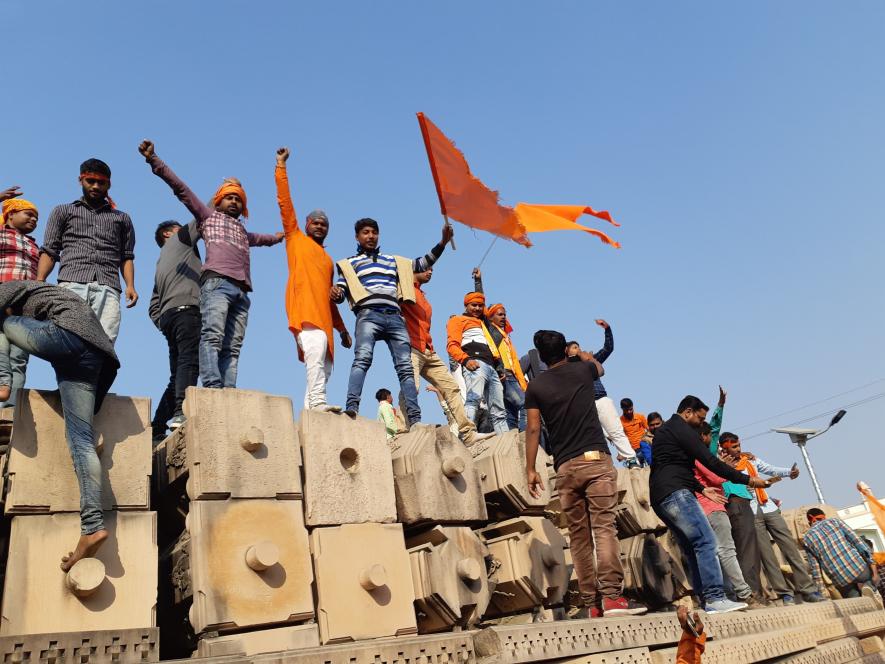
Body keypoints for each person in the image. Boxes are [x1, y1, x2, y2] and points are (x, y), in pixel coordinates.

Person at [138, 140, 283, 388]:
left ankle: (228, 389)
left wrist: (279, 238)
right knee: (213, 336)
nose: (234, 202)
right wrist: (155, 160)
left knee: (233, 345)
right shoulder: (208, 217)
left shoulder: (242, 231)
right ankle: (213, 385)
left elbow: (260, 239)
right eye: (228, 197)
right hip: (217, 284)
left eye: (238, 198)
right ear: (217, 201)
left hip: (242, 290)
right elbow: (181, 189)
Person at [525, 329, 647, 617]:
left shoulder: (536, 386)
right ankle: (612, 598)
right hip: (595, 460)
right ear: (565, 349)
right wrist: (578, 354)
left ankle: (591, 604)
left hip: (565, 468)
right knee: (604, 527)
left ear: (541, 356)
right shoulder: (582, 370)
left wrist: (530, 469)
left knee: (579, 536)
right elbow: (599, 365)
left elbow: (532, 428)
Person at [0, 281, 119, 572]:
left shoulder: (15, 287)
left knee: (1, 323)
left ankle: (3, 381)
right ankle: (92, 526)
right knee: (80, 440)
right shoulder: (56, 297)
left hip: (66, 336)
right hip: (94, 357)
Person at [649, 395, 771, 613]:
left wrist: (700, 488)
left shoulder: (665, 432)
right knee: (706, 542)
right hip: (677, 494)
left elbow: (672, 466)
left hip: (661, 496)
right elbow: (711, 462)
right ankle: (715, 597)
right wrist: (748, 479)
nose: (700, 425)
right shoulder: (682, 428)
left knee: (692, 547)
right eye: (699, 418)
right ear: (687, 412)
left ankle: (705, 600)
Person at [332, 218, 453, 423]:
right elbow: (342, 291)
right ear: (357, 237)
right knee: (362, 359)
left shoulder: (393, 261)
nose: (370, 236)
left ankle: (414, 418)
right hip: (368, 314)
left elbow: (422, 263)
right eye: (365, 232)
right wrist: (336, 294)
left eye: (374, 232)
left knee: (405, 367)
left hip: (394, 316)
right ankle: (352, 407)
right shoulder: (350, 263)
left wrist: (442, 242)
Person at [274, 147, 351, 411]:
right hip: (305, 314)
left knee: (325, 367)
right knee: (315, 356)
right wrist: (281, 166)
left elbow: (330, 299)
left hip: (325, 320)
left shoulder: (328, 261)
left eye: (324, 224)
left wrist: (341, 330)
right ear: (306, 225)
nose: (319, 226)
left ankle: (311, 414)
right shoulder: (295, 240)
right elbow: (285, 203)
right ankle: (318, 404)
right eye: (315, 222)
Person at [38, 158, 137, 344]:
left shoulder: (122, 219)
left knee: (104, 343)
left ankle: (96, 374)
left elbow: (126, 256)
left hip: (108, 285)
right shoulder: (63, 211)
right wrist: (40, 282)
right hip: (71, 282)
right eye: (91, 181)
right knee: (69, 339)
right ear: (80, 180)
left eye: (101, 182)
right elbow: (50, 250)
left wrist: (130, 285)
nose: (96, 186)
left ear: (109, 184)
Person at [399, 267, 492, 445]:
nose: (430, 272)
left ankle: (468, 432)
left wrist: (478, 283)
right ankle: (403, 429)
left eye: (433, 269)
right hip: (411, 347)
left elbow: (482, 308)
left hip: (428, 349)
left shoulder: (423, 296)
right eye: (426, 268)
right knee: (411, 387)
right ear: (414, 270)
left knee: (451, 387)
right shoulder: (405, 290)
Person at [693, 387, 763, 609]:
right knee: (733, 550)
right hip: (719, 504)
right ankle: (746, 594)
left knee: (722, 550)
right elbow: (715, 475)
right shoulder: (703, 453)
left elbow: (713, 426)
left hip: (712, 505)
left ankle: (731, 594)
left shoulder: (694, 452)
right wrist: (728, 470)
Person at [732, 445, 826, 604]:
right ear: (724, 449)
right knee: (768, 557)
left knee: (790, 548)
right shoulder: (723, 466)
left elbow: (769, 469)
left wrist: (789, 472)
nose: (737, 449)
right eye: (733, 447)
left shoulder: (748, 459)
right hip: (751, 511)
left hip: (768, 506)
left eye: (738, 445)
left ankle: (808, 590)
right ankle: (785, 593)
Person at [148, 219, 201, 439]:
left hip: (171, 316)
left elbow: (153, 304)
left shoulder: (162, 263)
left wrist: (162, 322)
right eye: (180, 229)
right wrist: (226, 190)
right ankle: (180, 412)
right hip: (187, 310)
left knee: (177, 372)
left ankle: (157, 426)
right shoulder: (180, 242)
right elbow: (203, 215)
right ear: (169, 235)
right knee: (189, 363)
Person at [565, 324, 637, 465]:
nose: (578, 349)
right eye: (574, 347)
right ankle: (600, 464)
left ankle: (631, 459)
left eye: (578, 347)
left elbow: (608, 349)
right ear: (566, 352)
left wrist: (607, 330)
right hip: (584, 405)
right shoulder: (566, 367)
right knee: (594, 436)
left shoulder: (590, 360)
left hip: (600, 399)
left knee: (615, 431)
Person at [446, 290, 508, 435]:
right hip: (475, 364)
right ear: (466, 305)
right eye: (474, 305)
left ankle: (505, 442)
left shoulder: (484, 324)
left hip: (491, 367)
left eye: (480, 306)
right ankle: (468, 438)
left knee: (499, 409)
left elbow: (493, 347)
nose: (477, 309)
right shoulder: (457, 320)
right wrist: (466, 360)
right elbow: (452, 345)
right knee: (473, 401)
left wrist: (499, 368)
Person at [471, 268, 526, 431]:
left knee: (510, 414)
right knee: (526, 404)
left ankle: (514, 444)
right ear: (490, 317)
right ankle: (526, 440)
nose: (504, 317)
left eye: (505, 314)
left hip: (511, 376)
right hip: (503, 376)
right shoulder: (490, 330)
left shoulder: (505, 335)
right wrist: (478, 282)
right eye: (500, 314)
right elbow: (480, 303)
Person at [0, 187, 41, 407]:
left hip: (24, 307)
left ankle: (10, 410)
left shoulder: (34, 244)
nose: (33, 219)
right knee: (1, 350)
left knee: (19, 358)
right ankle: (4, 386)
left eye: (36, 217)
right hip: (1, 297)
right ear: (11, 214)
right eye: (29, 214)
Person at [717, 432, 766, 602]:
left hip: (737, 504)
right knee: (747, 551)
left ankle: (750, 592)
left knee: (744, 550)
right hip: (736, 503)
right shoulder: (720, 462)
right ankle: (752, 594)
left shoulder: (738, 460)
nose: (739, 450)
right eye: (735, 447)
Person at [804, 508, 880, 598]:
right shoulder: (835, 522)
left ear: (810, 521)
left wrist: (821, 591)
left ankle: (859, 602)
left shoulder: (807, 538)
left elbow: (815, 568)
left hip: (839, 578)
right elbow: (858, 542)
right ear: (823, 516)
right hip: (858, 569)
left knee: (854, 600)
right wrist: (874, 571)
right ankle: (869, 587)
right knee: (870, 577)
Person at [620, 398, 649, 465]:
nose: (629, 412)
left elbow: (649, 430)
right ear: (622, 409)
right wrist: (620, 453)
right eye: (627, 410)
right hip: (631, 451)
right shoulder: (620, 422)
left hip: (643, 447)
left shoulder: (640, 417)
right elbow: (620, 438)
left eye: (631, 409)